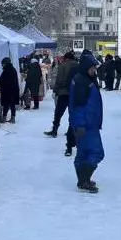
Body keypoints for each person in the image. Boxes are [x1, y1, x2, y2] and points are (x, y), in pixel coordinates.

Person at [69, 52, 104, 193]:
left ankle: (82, 180)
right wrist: (81, 125)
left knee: (82, 153)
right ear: (85, 67)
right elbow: (77, 106)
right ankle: (84, 180)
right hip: (86, 125)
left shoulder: (83, 79)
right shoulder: (82, 82)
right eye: (92, 68)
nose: (94, 70)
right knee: (97, 152)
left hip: (86, 124)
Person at [45, 51, 78, 158]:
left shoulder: (62, 66)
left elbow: (59, 79)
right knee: (71, 114)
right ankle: (70, 132)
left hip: (63, 93)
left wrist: (55, 90)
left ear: (66, 58)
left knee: (58, 112)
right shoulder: (78, 66)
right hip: (73, 94)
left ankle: (55, 130)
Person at [0, 57, 20, 123]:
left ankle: (5, 118)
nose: (2, 65)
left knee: (6, 104)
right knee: (11, 104)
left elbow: (5, 80)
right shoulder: (12, 69)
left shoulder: (7, 70)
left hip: (8, 90)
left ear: (5, 63)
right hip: (12, 90)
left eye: (3, 64)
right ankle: (12, 118)